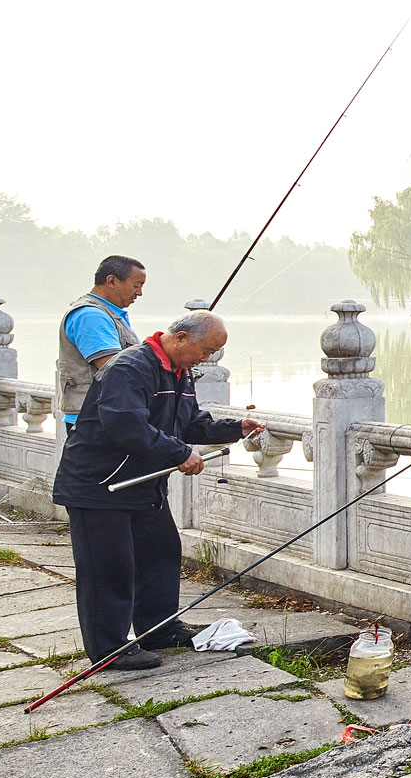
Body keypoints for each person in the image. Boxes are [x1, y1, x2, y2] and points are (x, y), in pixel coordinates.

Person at [52, 310, 264, 668]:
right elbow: (125, 425)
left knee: (162, 552)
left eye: (213, 353)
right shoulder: (129, 367)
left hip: (144, 485)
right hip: (101, 484)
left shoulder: (179, 372)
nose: (206, 359)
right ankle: (109, 650)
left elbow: (189, 422)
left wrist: (235, 428)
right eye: (205, 350)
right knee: (108, 568)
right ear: (180, 338)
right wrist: (179, 453)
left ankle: (160, 629)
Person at [57, 255, 146, 430]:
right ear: (111, 281)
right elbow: (114, 369)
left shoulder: (108, 314)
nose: (140, 293)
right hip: (95, 419)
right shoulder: (91, 316)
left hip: (104, 416)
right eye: (136, 286)